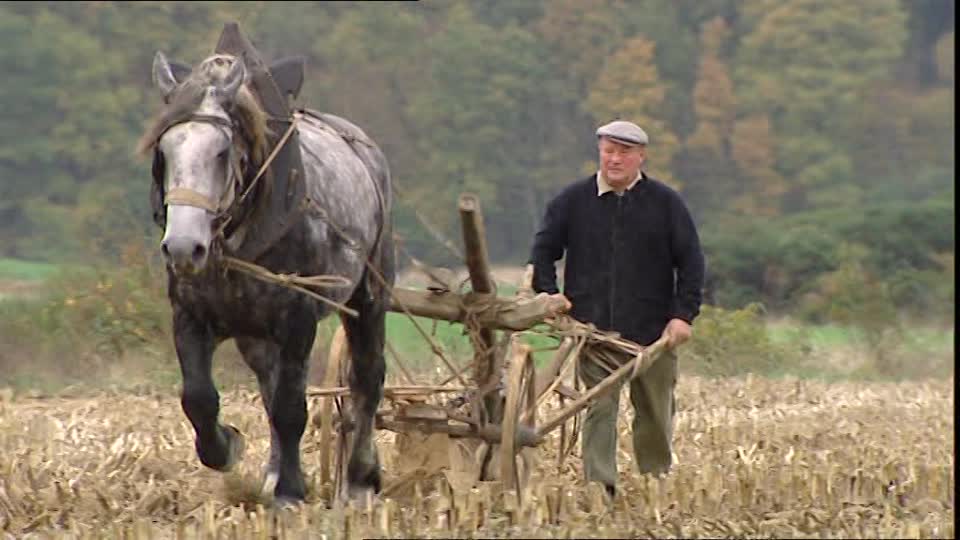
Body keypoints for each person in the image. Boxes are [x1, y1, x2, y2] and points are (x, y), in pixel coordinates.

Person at [528, 119, 705, 498]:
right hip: (595, 331)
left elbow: (691, 263)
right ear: (600, 152)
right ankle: (600, 488)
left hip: (654, 333)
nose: (615, 159)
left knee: (656, 414)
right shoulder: (572, 201)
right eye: (609, 150)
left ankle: (654, 484)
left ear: (641, 156)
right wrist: (549, 295)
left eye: (624, 152)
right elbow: (543, 251)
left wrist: (682, 315)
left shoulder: (666, 203)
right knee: (599, 408)